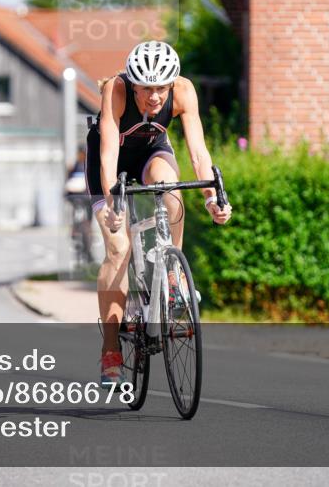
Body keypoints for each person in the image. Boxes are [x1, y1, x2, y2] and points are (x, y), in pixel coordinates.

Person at [86, 41, 232, 386]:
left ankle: (172, 275)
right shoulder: (115, 89)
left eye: (161, 88)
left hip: (152, 151)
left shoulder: (183, 91)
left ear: (172, 82)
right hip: (110, 162)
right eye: (147, 88)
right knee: (119, 249)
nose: (154, 97)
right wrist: (113, 204)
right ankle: (110, 352)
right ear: (133, 83)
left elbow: (198, 152)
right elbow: (108, 153)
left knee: (171, 188)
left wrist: (212, 198)